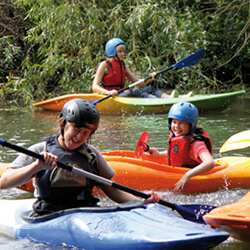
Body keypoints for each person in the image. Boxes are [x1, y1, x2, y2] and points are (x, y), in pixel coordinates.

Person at [0, 98, 161, 216]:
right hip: (49, 217)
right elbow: (4, 182)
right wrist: (37, 166)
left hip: (87, 214)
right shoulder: (40, 150)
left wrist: (140, 202)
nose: (79, 137)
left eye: (86, 133)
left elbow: (112, 190)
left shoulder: (92, 155)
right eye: (76, 129)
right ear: (63, 124)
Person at [146, 101, 214, 191]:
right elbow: (178, 152)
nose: (176, 126)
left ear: (190, 125)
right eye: (174, 122)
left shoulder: (195, 144)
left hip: (192, 176)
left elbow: (210, 162)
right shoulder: (178, 137)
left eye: (181, 123)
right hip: (178, 173)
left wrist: (188, 175)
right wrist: (158, 154)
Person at [92, 38, 180, 98]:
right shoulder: (105, 64)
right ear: (112, 52)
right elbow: (94, 86)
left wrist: (149, 78)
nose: (123, 54)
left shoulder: (123, 65)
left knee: (149, 88)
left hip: (121, 94)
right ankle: (156, 101)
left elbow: (138, 83)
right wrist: (109, 92)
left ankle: (168, 98)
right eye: (120, 52)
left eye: (123, 51)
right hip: (111, 96)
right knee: (135, 91)